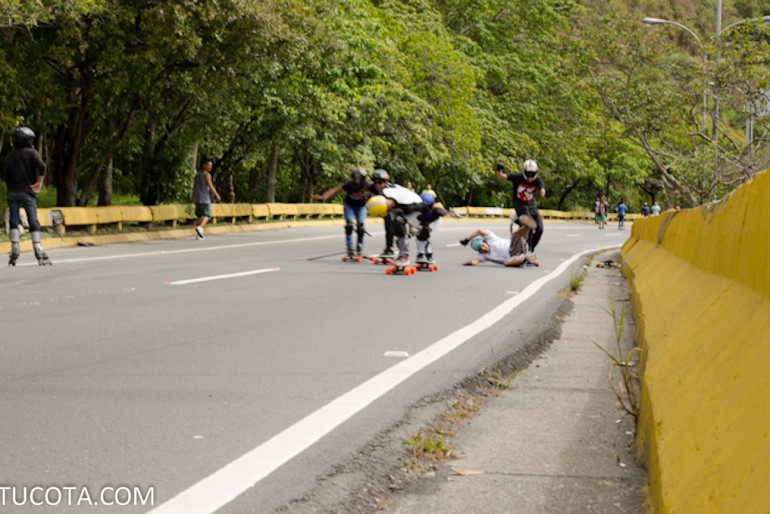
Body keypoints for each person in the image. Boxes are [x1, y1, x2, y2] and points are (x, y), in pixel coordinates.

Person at [4, 127, 51, 266]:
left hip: (12, 192)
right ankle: (37, 247)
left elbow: (6, 175)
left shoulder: (9, 156)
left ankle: (15, 247)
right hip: (27, 192)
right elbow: (42, 166)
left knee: (14, 219)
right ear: (26, 141)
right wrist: (39, 183)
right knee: (32, 220)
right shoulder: (32, 153)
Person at [366, 175, 425, 265]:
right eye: (376, 183)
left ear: (385, 183)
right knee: (395, 229)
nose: (378, 185)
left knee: (401, 226)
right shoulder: (383, 193)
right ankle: (402, 253)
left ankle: (406, 256)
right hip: (399, 207)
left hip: (415, 205)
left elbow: (407, 210)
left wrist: (411, 226)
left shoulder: (391, 194)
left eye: (380, 183)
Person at [312, 167, 370, 258]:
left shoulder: (366, 185)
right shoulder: (349, 184)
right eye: (355, 177)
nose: (357, 180)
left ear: (363, 178)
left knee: (360, 227)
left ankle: (360, 246)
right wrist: (324, 196)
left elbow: (377, 189)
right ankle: (349, 247)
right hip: (349, 205)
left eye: (359, 177)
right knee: (349, 225)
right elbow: (335, 190)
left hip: (361, 207)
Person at [495, 160, 546, 251]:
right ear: (524, 171)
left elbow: (542, 188)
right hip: (520, 204)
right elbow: (501, 177)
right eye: (528, 173)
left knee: (540, 229)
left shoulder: (537, 179)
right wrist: (499, 169)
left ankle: (530, 247)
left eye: (532, 174)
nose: (530, 176)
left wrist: (543, 193)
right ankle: (528, 250)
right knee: (529, 226)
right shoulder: (518, 177)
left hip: (531, 204)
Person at [459, 215, 538, 267]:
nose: (483, 249)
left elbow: (480, 231)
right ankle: (525, 259)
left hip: (516, 247)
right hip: (515, 258)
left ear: (484, 242)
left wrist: (467, 239)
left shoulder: (491, 239)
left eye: (482, 245)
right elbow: (475, 261)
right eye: (480, 249)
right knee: (506, 262)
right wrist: (470, 262)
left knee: (514, 236)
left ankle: (527, 227)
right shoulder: (483, 256)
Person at [190, 158, 221, 239]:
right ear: (204, 165)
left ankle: (199, 235)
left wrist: (193, 196)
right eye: (208, 165)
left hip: (198, 198)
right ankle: (200, 227)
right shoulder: (206, 175)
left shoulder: (197, 175)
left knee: (200, 216)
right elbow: (210, 186)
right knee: (207, 215)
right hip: (204, 198)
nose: (210, 167)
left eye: (211, 165)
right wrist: (216, 195)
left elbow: (194, 187)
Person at [415, 191, 447, 264]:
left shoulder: (436, 210)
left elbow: (444, 213)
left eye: (428, 206)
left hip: (434, 223)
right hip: (422, 223)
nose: (425, 208)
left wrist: (440, 208)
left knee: (424, 233)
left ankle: (425, 254)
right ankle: (425, 254)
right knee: (420, 236)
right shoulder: (417, 210)